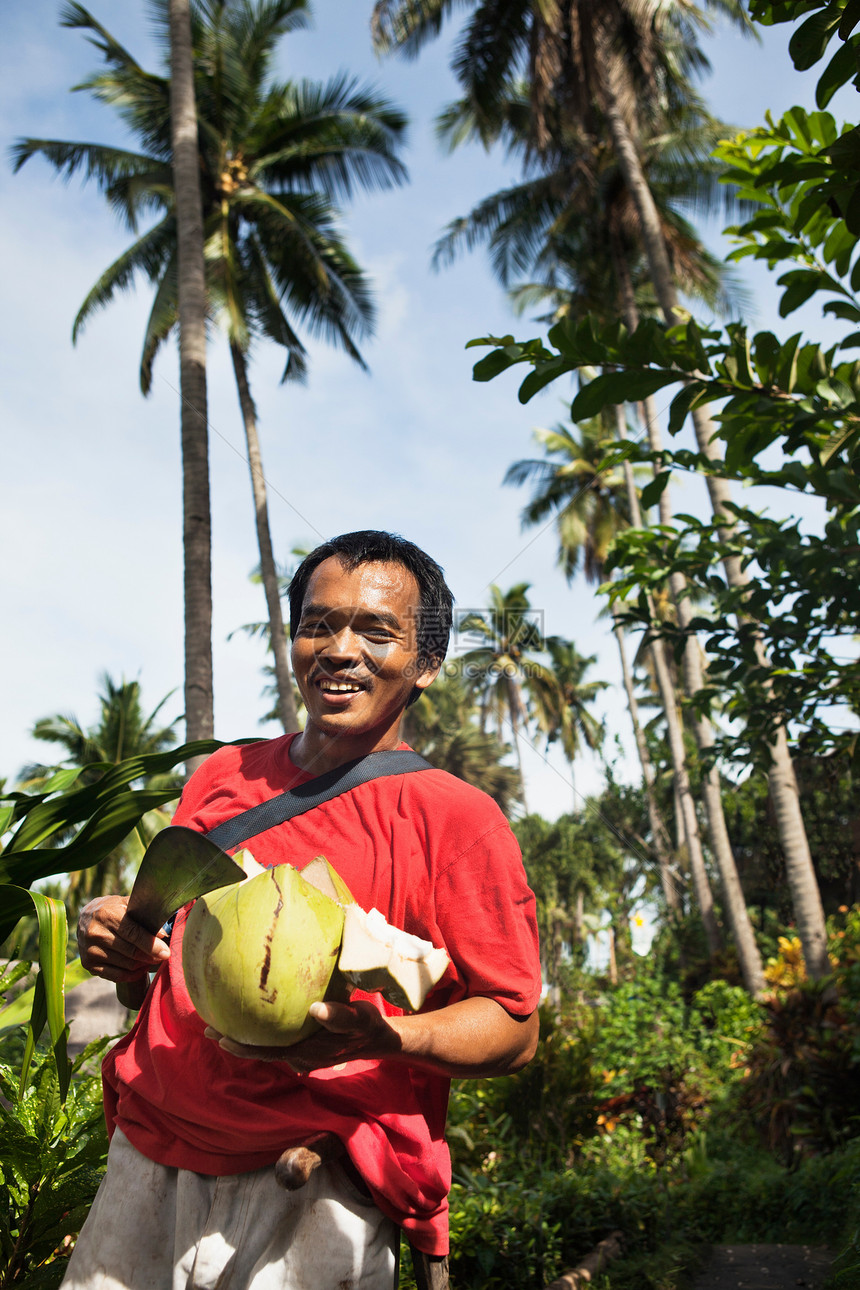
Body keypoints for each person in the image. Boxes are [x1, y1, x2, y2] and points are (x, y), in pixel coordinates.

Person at [71, 530, 542, 1290]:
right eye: (318, 624)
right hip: (151, 1152)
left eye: (376, 631)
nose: (340, 649)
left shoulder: (456, 819)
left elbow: (515, 1029)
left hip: (317, 1179)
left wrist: (390, 1036)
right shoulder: (221, 779)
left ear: (426, 664)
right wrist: (121, 947)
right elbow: (157, 981)